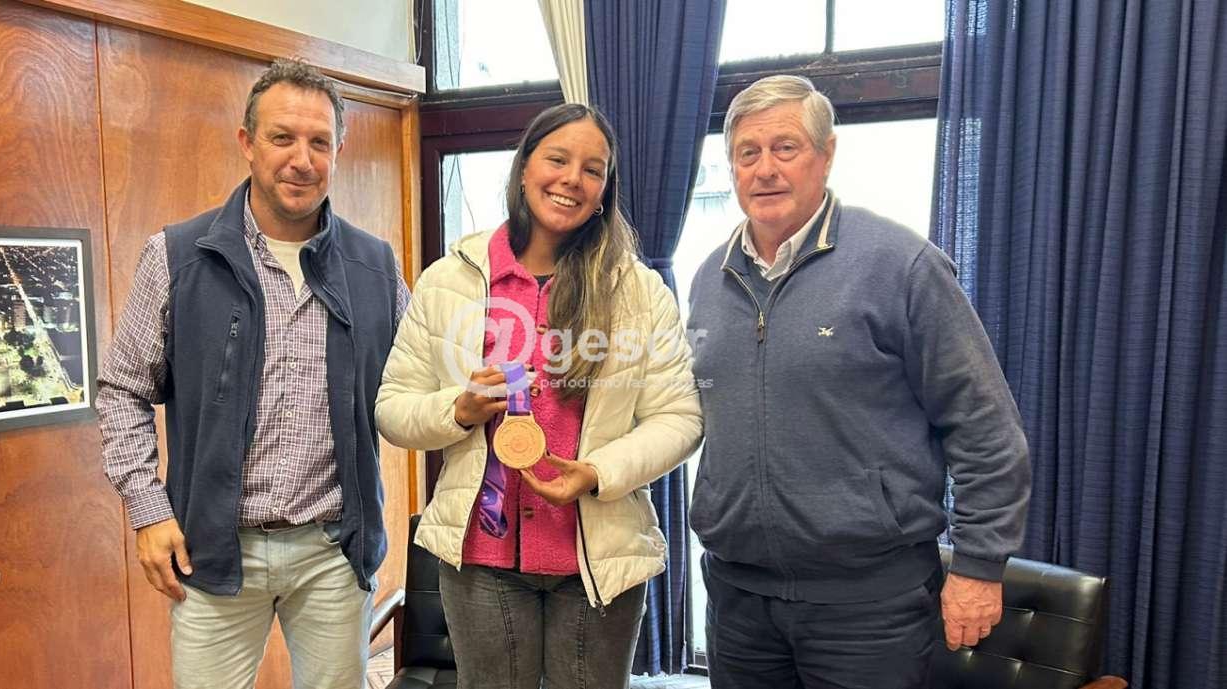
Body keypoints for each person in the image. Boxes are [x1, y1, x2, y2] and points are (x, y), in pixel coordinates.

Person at [687, 74, 1032, 689]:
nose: (765, 169)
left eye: (785, 148)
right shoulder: (710, 278)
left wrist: (978, 565)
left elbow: (984, 427)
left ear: (826, 155)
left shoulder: (901, 265)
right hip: (738, 601)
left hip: (870, 608)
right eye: (748, 152)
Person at [96, 58, 408, 689]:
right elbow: (122, 389)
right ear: (247, 142)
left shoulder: (375, 266)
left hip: (333, 552)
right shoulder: (179, 256)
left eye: (319, 142)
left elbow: (417, 380)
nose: (302, 160)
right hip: (212, 550)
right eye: (282, 137)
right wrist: (149, 511)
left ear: (338, 150)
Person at [376, 103, 702, 689]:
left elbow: (678, 418)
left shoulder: (638, 291)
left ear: (604, 191)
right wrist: (457, 410)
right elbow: (394, 408)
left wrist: (597, 472)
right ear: (524, 168)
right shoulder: (448, 280)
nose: (572, 179)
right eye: (557, 159)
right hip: (483, 556)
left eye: (592, 169)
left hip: (598, 556)